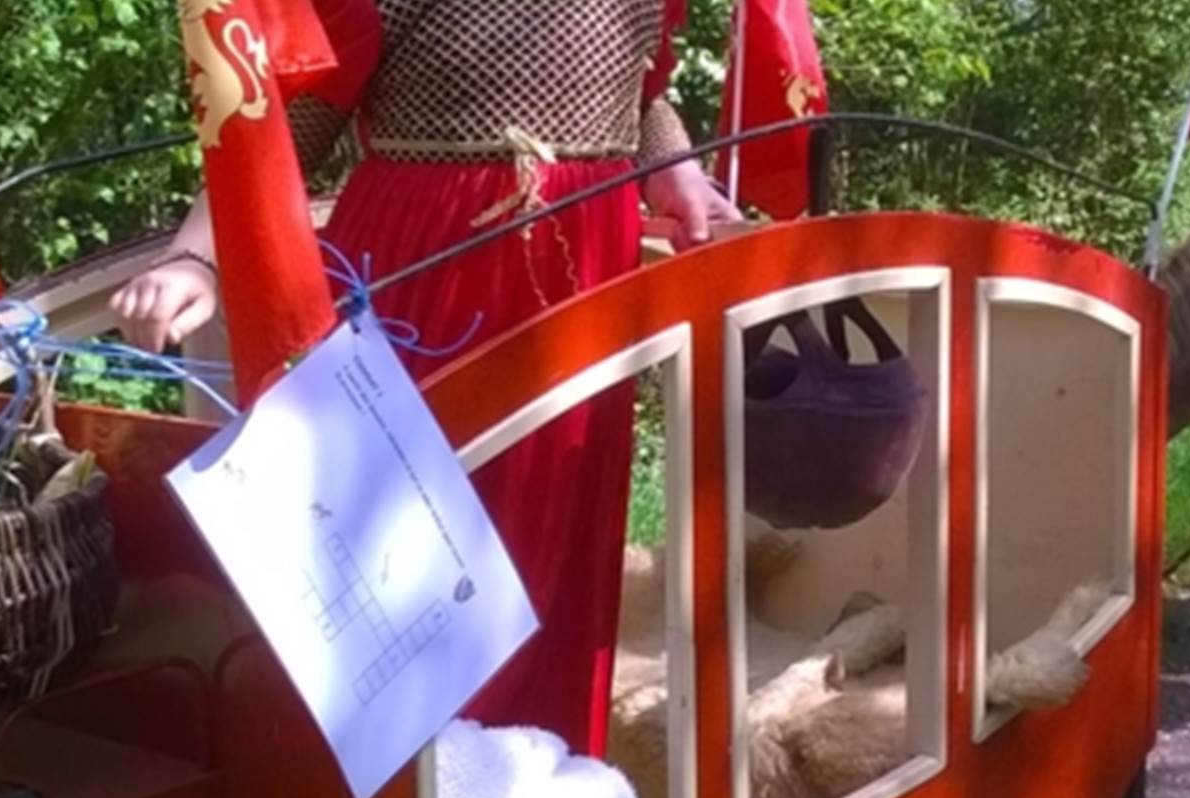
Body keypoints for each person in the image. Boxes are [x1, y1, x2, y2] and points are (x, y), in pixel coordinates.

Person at [109, 0, 741, 756]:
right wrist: (197, 256)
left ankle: (547, 770)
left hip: (587, 266)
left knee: (561, 523)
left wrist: (679, 176)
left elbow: (639, 94)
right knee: (402, 540)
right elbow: (276, 127)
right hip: (426, 267)